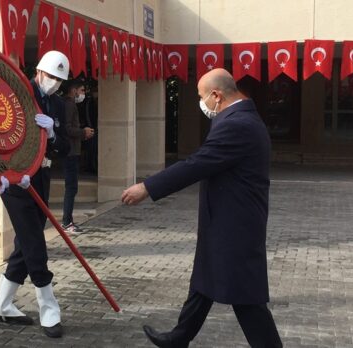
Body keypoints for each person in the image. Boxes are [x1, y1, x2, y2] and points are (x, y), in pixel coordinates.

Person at [121, 68, 283, 348]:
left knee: (246, 299)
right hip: (223, 220)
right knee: (204, 282)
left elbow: (196, 164)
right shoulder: (237, 116)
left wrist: (147, 187)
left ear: (216, 95)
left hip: (236, 226)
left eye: (201, 96)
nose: (201, 102)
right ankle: (178, 338)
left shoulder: (238, 124)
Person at [0, 50, 71, 339]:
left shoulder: (57, 104)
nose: (54, 83)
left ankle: (1, 304)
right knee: (35, 241)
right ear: (38, 72)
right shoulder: (17, 94)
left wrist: (52, 135)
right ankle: (49, 308)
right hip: (16, 178)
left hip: (42, 176)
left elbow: (65, 149)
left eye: (59, 80)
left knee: (27, 239)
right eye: (51, 77)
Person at [60, 79, 94, 234]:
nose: (83, 94)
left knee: (72, 187)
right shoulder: (69, 105)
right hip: (70, 151)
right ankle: (67, 221)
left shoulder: (69, 104)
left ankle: (68, 220)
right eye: (81, 90)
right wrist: (83, 132)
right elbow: (67, 129)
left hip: (73, 150)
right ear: (73, 90)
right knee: (71, 187)